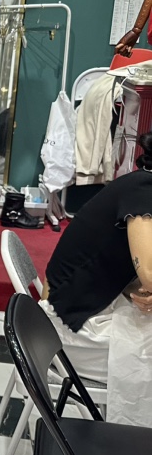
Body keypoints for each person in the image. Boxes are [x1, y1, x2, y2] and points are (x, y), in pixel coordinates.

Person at [41, 132, 152, 383]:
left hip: (75, 309)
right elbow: (149, 274)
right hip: (68, 328)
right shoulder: (145, 191)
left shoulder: (141, 183)